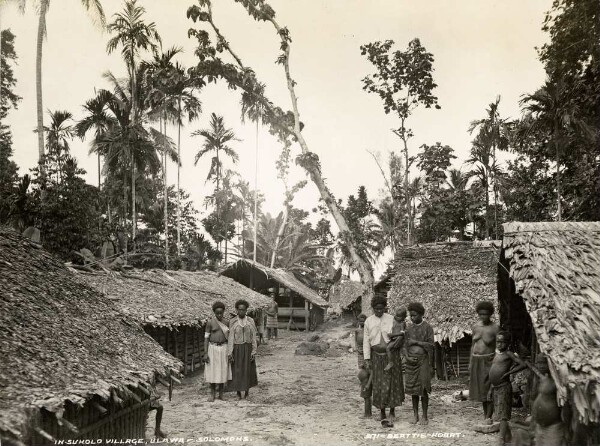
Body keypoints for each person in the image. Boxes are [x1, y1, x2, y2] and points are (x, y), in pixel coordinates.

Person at [363, 296, 404, 422]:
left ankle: (392, 410)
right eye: (376, 309)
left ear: (385, 307)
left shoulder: (391, 319)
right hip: (376, 356)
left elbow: (400, 334)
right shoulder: (368, 321)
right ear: (373, 308)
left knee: (392, 383)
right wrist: (367, 358)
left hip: (391, 355)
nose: (379, 311)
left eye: (381, 309)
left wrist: (397, 345)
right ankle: (382, 411)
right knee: (379, 384)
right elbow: (366, 341)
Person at [488, 331, 528, 444]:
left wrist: (508, 373)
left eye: (502, 342)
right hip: (496, 387)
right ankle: (508, 437)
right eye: (497, 342)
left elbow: (523, 364)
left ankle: (501, 439)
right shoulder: (496, 354)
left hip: (504, 387)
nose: (499, 344)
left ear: (507, 343)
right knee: (499, 413)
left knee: (503, 414)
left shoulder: (509, 354)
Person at [404, 302, 434, 425]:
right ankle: (415, 415)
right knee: (413, 390)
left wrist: (416, 342)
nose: (412, 318)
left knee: (423, 389)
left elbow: (430, 345)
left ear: (421, 314)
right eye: (411, 315)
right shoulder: (408, 328)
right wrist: (407, 358)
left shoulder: (427, 328)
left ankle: (425, 416)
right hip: (411, 362)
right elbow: (405, 346)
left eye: (415, 315)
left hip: (423, 361)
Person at [469, 300, 499, 423]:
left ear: (490, 314)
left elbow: (499, 347)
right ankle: (485, 415)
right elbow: (473, 345)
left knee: (489, 389)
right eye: (481, 314)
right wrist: (470, 362)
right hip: (476, 360)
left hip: (489, 360)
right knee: (481, 391)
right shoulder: (475, 327)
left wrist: (497, 363)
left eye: (486, 314)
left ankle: (489, 416)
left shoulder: (495, 328)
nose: (483, 316)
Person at [529, 354, 566, 446]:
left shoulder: (558, 381)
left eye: (543, 363)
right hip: (540, 427)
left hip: (553, 428)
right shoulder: (543, 378)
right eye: (538, 362)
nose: (540, 365)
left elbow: (565, 405)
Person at [227, 299, 259, 399]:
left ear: (246, 310)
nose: (241, 311)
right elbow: (231, 338)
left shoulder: (250, 321)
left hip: (248, 348)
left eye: (244, 310)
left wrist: (254, 351)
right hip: (237, 349)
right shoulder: (233, 321)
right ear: (237, 310)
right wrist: (230, 352)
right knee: (237, 370)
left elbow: (254, 336)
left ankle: (246, 391)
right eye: (239, 310)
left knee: (247, 370)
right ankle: (238, 391)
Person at [203, 301, 231, 402]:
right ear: (214, 313)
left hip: (224, 348)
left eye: (221, 313)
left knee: (223, 370)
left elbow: (229, 338)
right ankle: (212, 394)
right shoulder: (210, 323)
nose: (219, 315)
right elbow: (206, 338)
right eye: (217, 313)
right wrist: (205, 353)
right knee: (213, 371)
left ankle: (221, 394)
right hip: (213, 348)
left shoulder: (227, 322)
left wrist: (230, 352)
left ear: (224, 312)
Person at [384, 307, 407, 372]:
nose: (397, 317)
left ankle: (393, 363)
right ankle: (390, 362)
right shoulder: (394, 322)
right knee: (387, 348)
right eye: (396, 315)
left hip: (398, 340)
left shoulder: (402, 323)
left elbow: (402, 334)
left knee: (389, 348)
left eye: (399, 316)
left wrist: (393, 335)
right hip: (393, 339)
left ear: (403, 317)